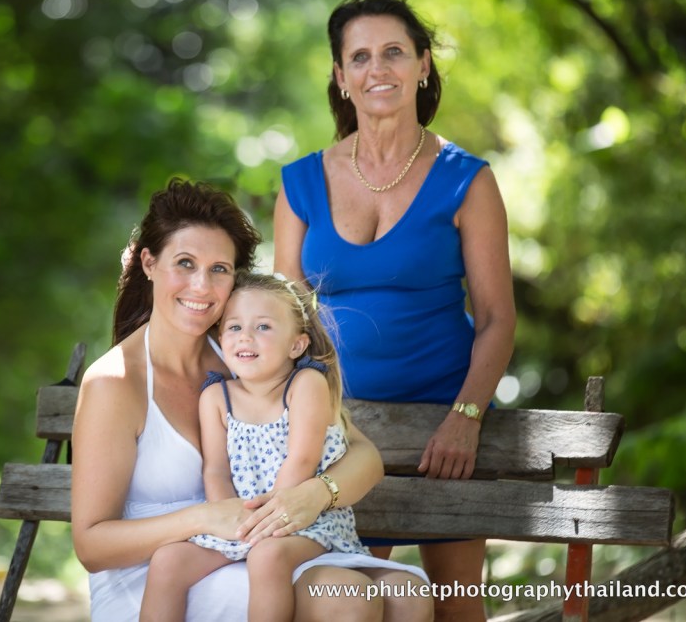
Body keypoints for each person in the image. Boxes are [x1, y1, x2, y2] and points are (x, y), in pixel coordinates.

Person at [72, 178, 433, 622]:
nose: (202, 286)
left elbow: (364, 456)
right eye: (184, 263)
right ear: (149, 263)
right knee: (346, 598)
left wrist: (315, 494)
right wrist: (205, 518)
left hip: (257, 540)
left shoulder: (246, 356)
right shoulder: (116, 382)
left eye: (219, 269)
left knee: (407, 592)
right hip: (155, 574)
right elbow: (91, 546)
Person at [273, 0, 517, 621]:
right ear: (340, 76)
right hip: (341, 432)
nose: (377, 68)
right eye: (359, 56)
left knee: (459, 607)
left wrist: (466, 417)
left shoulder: (469, 179)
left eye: (393, 52)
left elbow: (496, 317)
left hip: (443, 428)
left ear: (422, 66)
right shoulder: (301, 181)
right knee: (354, 599)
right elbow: (282, 321)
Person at [139, 272, 428, 622]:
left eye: (263, 327)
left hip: (303, 522)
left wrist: (269, 519)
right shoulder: (216, 397)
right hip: (244, 521)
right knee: (168, 561)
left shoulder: (305, 385)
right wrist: (227, 515)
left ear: (297, 345)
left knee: (267, 556)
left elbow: (302, 459)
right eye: (234, 327)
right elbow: (215, 468)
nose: (245, 336)